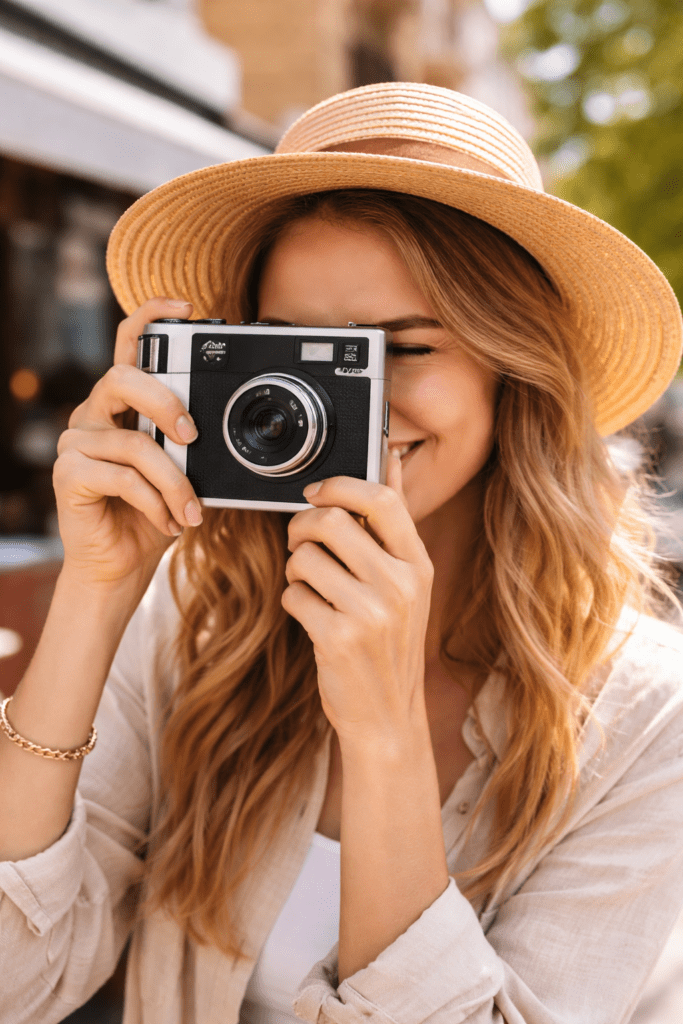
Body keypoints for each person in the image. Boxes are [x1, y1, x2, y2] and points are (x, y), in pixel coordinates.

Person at [1, 82, 682, 1024]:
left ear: (511, 368)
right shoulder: (201, 608)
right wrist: (94, 592)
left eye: (400, 350)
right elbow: (15, 985)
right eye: (298, 351)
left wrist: (383, 728)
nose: (348, 406)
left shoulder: (644, 717)